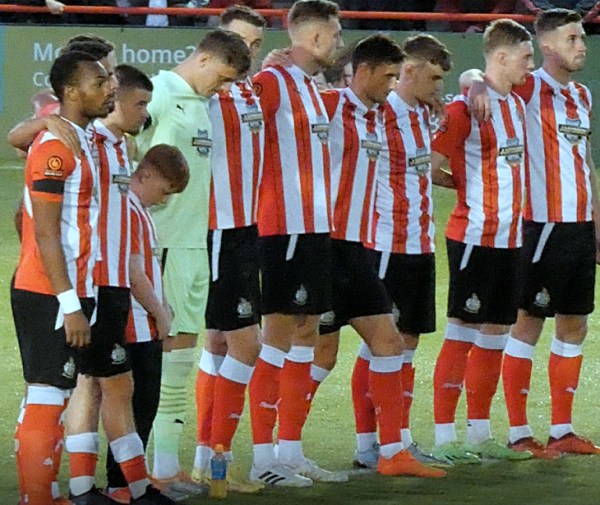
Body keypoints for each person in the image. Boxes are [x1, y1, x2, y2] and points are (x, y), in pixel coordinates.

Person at [469, 8, 600, 458]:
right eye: (572, 38)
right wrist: (478, 82)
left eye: (581, 38)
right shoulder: (527, 89)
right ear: (546, 47)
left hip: (579, 227)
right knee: (527, 325)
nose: (581, 46)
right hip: (540, 226)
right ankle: (519, 432)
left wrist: (597, 224)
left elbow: (585, 164)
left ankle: (563, 429)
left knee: (575, 325)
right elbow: (479, 73)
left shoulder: (581, 95)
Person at [317, 33, 446, 479]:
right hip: (379, 244)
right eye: (391, 75)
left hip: (416, 242)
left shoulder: (416, 116)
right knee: (325, 351)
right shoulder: (361, 109)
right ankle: (366, 444)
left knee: (397, 343)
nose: (393, 84)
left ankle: (394, 444)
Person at [135, 29, 251, 493]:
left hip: (191, 246)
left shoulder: (202, 103)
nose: (221, 88)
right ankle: (138, 469)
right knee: (156, 361)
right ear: (203, 59)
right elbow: (128, 156)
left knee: (180, 360)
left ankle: (166, 467)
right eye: (220, 77)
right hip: (161, 246)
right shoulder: (160, 93)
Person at [429, 18, 535, 464]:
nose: (531, 66)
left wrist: (474, 80)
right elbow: (430, 165)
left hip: (511, 239)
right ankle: (443, 437)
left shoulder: (519, 98)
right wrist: (469, 187)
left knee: (496, 334)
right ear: (503, 57)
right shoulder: (461, 111)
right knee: (461, 333)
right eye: (526, 57)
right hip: (473, 236)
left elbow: (477, 75)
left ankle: (478, 432)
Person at [247, 0, 343, 487]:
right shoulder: (272, 82)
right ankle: (262, 458)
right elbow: (234, 123)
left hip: (314, 228)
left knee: (307, 333)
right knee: (279, 335)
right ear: (317, 37)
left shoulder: (309, 86)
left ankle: (289, 450)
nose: (340, 41)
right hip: (280, 227)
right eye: (336, 32)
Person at [10, 49, 112, 505]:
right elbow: (47, 233)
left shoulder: (80, 138)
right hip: (50, 291)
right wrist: (69, 303)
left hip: (68, 287)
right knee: (48, 395)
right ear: (71, 92)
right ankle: (37, 497)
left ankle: (45, 494)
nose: (109, 86)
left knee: (55, 392)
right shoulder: (56, 147)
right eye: (99, 80)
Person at [191, 5, 266, 495]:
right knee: (244, 344)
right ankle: (217, 461)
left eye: (256, 45)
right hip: (217, 230)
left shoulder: (250, 89)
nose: (249, 54)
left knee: (218, 343)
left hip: (243, 231)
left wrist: (474, 80)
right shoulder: (202, 94)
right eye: (241, 44)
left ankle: (204, 460)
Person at [108, 144, 190, 503]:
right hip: (134, 325)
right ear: (146, 175)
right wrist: (160, 311)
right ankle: (123, 485)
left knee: (143, 406)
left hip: (145, 324)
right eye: (164, 190)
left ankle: (130, 483)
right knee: (137, 407)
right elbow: (132, 269)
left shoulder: (138, 210)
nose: (164, 199)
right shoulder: (127, 210)